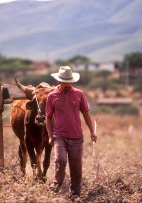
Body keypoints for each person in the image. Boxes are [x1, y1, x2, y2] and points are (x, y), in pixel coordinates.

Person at [46, 66, 97, 199]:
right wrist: (50, 136)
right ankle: (57, 183)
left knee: (76, 166)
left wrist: (92, 131)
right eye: (65, 81)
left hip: (76, 137)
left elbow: (86, 114)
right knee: (60, 159)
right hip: (59, 135)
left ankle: (74, 193)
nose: (68, 84)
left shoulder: (79, 94)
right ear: (59, 81)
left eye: (70, 81)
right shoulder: (52, 96)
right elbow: (48, 118)